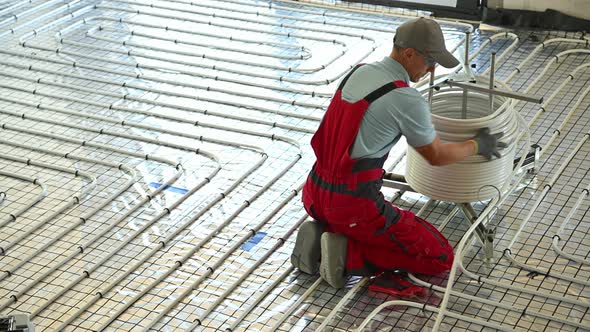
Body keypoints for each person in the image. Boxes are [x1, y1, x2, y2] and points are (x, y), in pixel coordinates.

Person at [290, 17, 506, 290]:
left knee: (352, 217)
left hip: (314, 193)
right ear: (408, 54)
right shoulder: (405, 98)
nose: (432, 70)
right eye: (430, 61)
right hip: (354, 207)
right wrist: (477, 145)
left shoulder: (359, 71)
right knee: (439, 256)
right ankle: (348, 253)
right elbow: (436, 156)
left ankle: (322, 229)